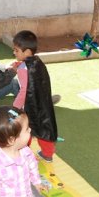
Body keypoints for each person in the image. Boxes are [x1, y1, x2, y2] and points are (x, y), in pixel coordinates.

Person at [12, 30, 58, 162]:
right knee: (44, 128)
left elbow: (23, 90)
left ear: (26, 52)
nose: (14, 53)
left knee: (25, 130)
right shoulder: (37, 61)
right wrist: (20, 65)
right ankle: (48, 154)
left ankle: (22, 154)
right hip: (42, 103)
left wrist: (15, 107)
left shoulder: (23, 69)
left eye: (16, 50)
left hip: (30, 106)